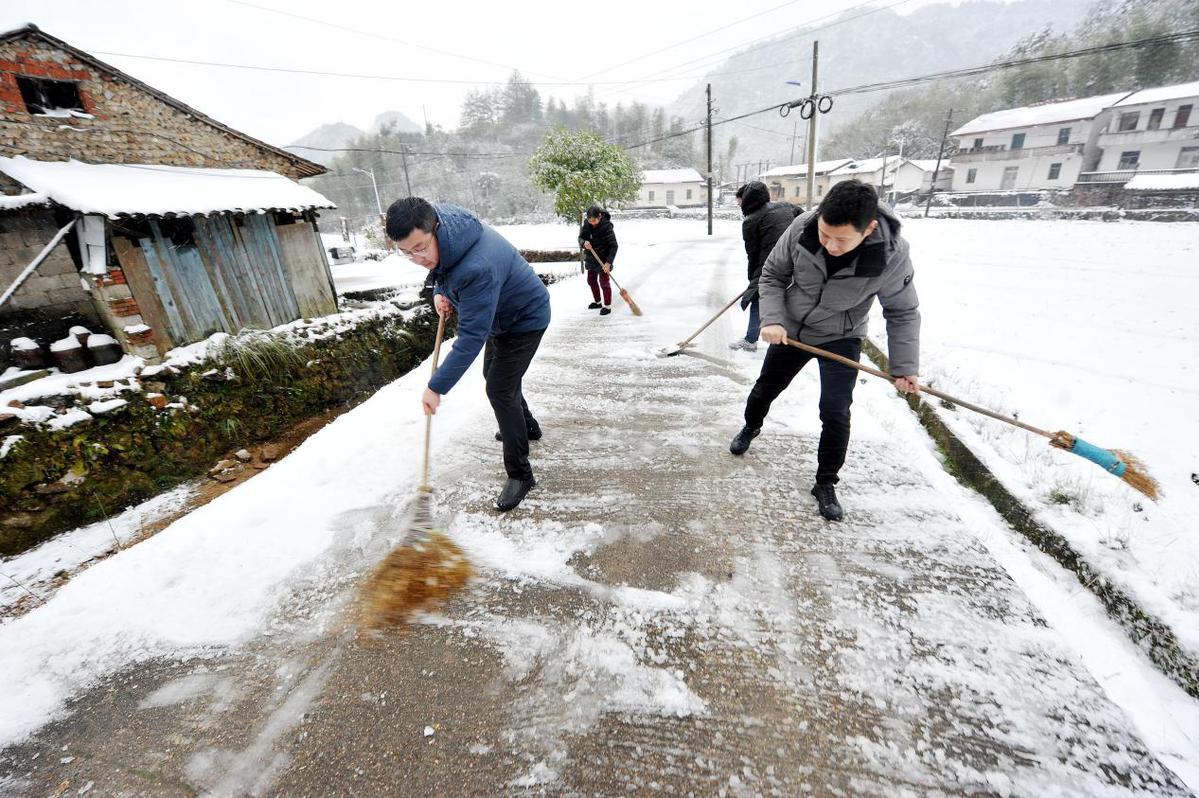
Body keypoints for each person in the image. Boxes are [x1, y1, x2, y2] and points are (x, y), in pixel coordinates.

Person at [727, 179, 920, 522]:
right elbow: (771, 274)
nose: (830, 244)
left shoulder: (892, 254)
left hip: (842, 335)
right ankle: (750, 426)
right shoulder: (803, 227)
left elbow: (901, 311)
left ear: (869, 228)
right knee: (763, 391)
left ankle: (826, 482)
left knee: (835, 411)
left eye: (841, 239)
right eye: (825, 234)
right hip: (792, 329)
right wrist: (772, 319)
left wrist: (904, 367)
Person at [386, 197, 551, 512]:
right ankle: (526, 426)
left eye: (420, 247)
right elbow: (441, 270)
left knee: (500, 387)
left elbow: (472, 336)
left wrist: (436, 386)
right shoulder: (445, 228)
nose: (416, 258)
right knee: (497, 378)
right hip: (500, 315)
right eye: (406, 252)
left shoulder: (476, 267)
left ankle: (521, 474)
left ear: (435, 228)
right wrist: (438, 292)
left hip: (524, 318)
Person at [730, 181, 803, 352]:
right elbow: (806, 221)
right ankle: (793, 338)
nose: (739, 205)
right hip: (799, 261)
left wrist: (753, 281)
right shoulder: (787, 206)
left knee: (758, 298)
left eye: (739, 201)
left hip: (770, 265)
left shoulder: (750, 221)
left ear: (747, 200)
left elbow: (752, 254)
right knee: (794, 298)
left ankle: (750, 341)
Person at [578, 205, 618, 316]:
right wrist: (583, 243)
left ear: (599, 216)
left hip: (604, 259)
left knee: (604, 283)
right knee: (591, 280)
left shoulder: (607, 227)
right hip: (591, 258)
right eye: (590, 220)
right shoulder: (587, 224)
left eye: (594, 220)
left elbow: (614, 246)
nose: (592, 223)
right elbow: (580, 237)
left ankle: (607, 306)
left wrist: (608, 263)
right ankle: (598, 302)